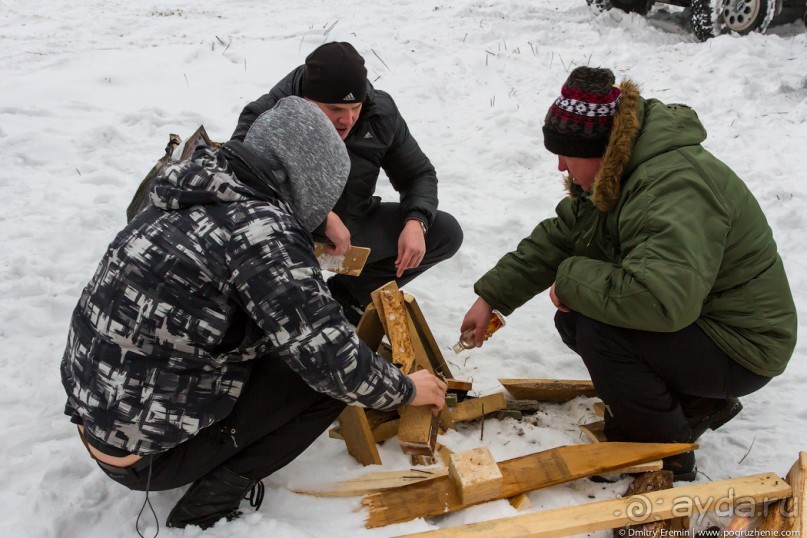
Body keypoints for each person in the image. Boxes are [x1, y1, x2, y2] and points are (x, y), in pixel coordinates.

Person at [61, 96, 448, 530]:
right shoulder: (263, 235)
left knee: (284, 339)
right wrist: (406, 390)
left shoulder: (188, 188)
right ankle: (212, 500)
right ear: (311, 182)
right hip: (144, 455)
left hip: (94, 417)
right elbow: (334, 362)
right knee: (325, 382)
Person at [461, 67, 797, 480]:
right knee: (578, 319)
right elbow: (564, 235)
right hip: (708, 323)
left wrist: (571, 279)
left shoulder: (668, 187)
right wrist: (492, 297)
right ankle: (695, 404)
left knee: (601, 331)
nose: (560, 166)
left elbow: (662, 301)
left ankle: (664, 451)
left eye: (567, 154)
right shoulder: (620, 171)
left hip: (743, 345)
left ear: (600, 148)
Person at [232, 42, 463, 324]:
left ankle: (347, 299)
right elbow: (240, 185)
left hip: (351, 229)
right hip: (285, 234)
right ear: (307, 100)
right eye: (336, 109)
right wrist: (322, 218)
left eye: (356, 107)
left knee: (445, 232)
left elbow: (418, 174)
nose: (348, 119)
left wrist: (417, 222)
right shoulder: (267, 115)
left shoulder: (379, 114)